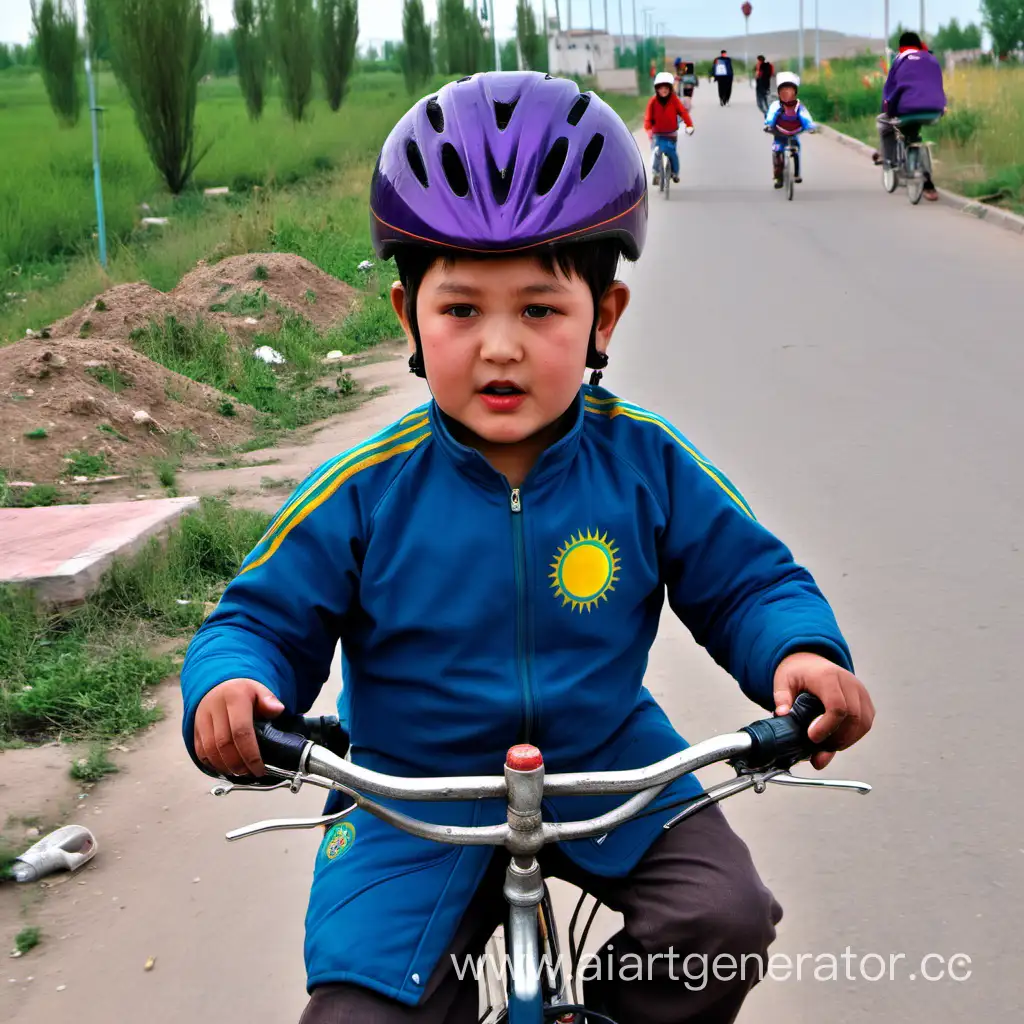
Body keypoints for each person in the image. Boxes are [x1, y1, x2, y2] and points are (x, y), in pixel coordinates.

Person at [182, 70, 874, 1024]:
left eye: (540, 311)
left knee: (724, 921)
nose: (499, 346)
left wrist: (799, 651)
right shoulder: (362, 489)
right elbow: (258, 617)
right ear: (407, 320)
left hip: (607, 761)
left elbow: (750, 580)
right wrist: (231, 687)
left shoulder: (646, 462)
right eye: (462, 310)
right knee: (356, 1015)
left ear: (606, 317)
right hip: (410, 795)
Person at [872, 31, 946, 201]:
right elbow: (937, 84)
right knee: (914, 136)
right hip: (934, 110)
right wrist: (941, 106)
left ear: (901, 46)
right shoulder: (931, 58)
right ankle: (929, 185)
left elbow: (890, 90)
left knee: (883, 124)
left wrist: (887, 109)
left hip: (908, 110)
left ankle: (888, 160)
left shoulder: (900, 59)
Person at [764, 71, 817, 188]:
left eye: (790, 91)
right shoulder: (776, 106)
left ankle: (797, 174)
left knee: (796, 149)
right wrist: (768, 125)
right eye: (784, 91)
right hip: (779, 133)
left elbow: (805, 116)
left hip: (793, 132)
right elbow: (771, 116)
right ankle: (778, 177)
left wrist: (810, 127)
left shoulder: (798, 106)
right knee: (777, 151)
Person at [645, 71, 695, 185]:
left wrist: (689, 125)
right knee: (657, 152)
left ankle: (675, 173)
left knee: (672, 153)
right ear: (657, 89)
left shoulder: (674, 100)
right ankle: (656, 173)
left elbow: (683, 112)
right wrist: (648, 129)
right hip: (657, 133)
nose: (664, 90)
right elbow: (648, 117)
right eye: (661, 88)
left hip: (671, 133)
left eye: (666, 88)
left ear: (670, 88)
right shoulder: (653, 101)